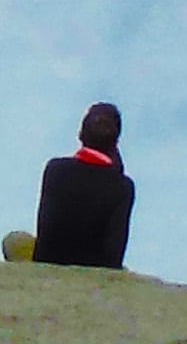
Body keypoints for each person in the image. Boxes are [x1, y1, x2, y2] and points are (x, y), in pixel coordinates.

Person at [33, 105, 136, 270]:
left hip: (49, 263)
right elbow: (114, 254)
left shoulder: (55, 169)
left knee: (15, 240)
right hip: (94, 270)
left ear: (81, 134)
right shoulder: (122, 187)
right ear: (116, 142)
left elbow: (45, 233)